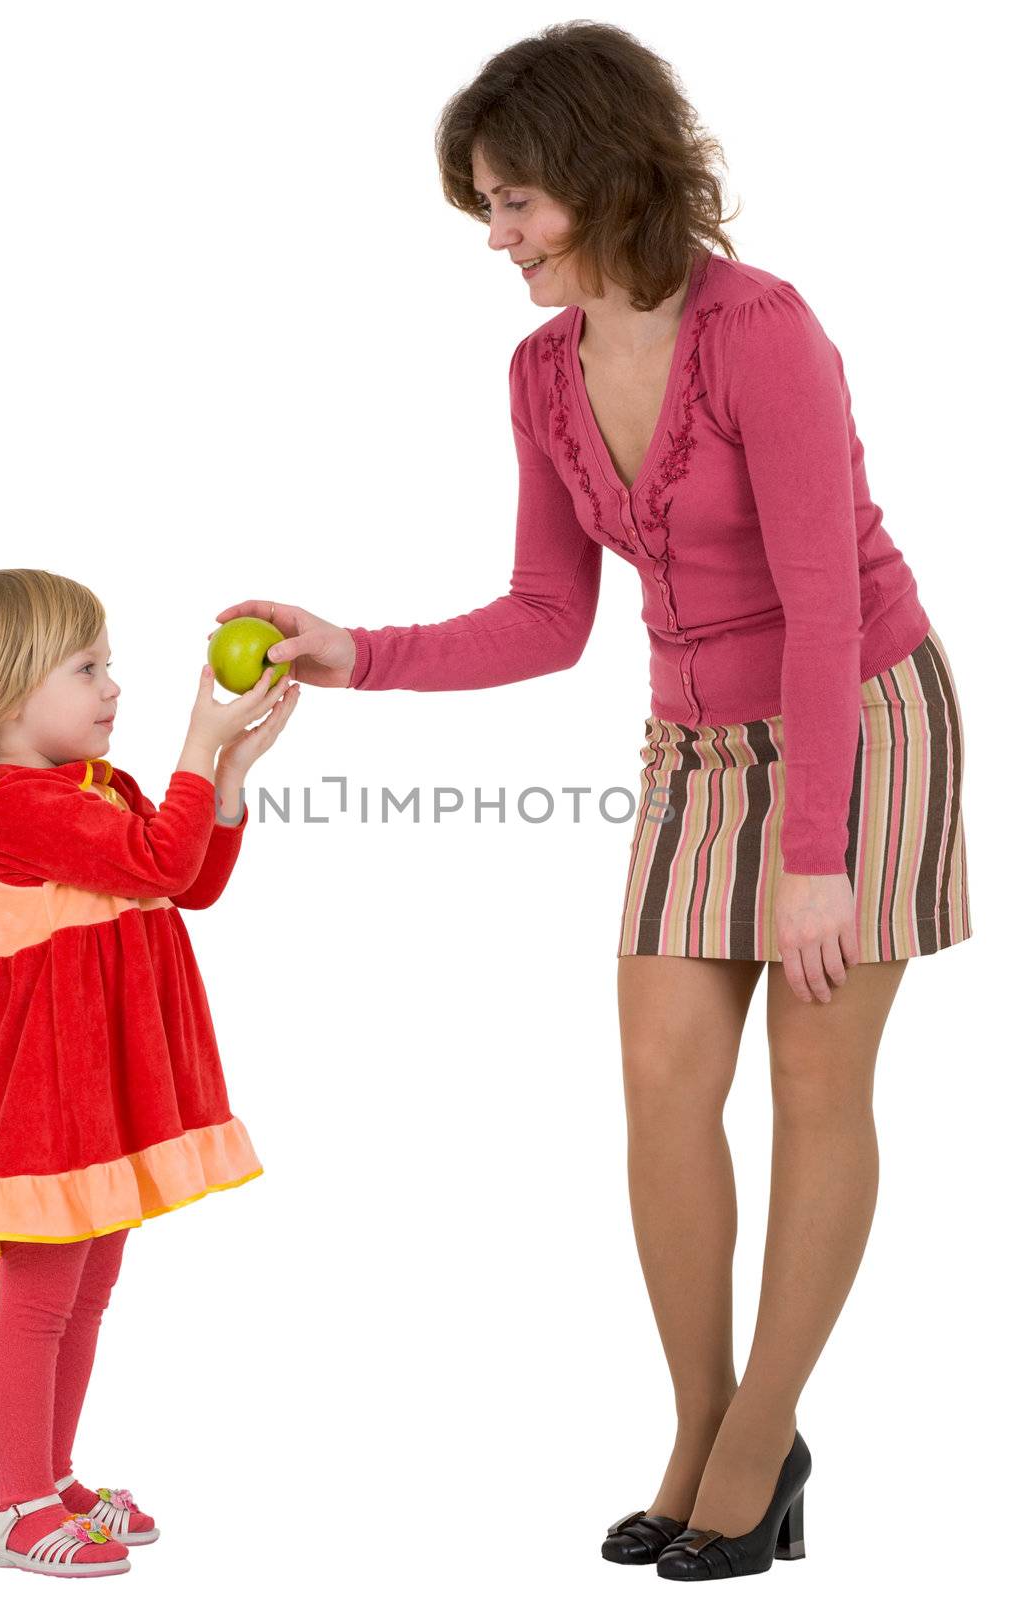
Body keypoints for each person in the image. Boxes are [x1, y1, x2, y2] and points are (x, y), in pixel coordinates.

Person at [209, 21, 971, 1585]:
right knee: (661, 1090)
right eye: (484, 211)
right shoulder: (541, 373)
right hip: (694, 749)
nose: (492, 242)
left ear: (602, 172)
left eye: (511, 205)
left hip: (861, 726)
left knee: (815, 1091)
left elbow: (823, 611)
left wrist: (814, 857)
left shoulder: (763, 330)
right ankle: (699, 1434)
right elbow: (543, 620)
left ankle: (759, 1447)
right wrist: (353, 653)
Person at [0, 567, 298, 1577]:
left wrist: (224, 777)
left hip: (113, 1078)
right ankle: (14, 1506)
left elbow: (190, 881)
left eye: (109, 666)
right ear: (5, 693)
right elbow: (152, 866)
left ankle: (50, 1477)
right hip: (53, 1084)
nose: (112, 687)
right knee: (41, 1295)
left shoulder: (98, 791)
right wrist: (194, 745)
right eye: (87, 667)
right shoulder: (10, 806)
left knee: (86, 1292)